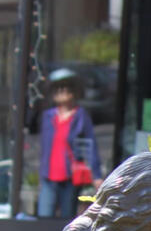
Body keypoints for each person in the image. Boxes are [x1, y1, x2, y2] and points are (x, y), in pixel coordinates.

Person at [37, 68, 103, 219]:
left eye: (66, 89)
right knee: (43, 216)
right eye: (57, 89)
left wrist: (96, 175)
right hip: (49, 176)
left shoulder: (81, 116)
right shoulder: (48, 116)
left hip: (70, 177)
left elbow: (90, 146)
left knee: (67, 219)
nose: (61, 92)